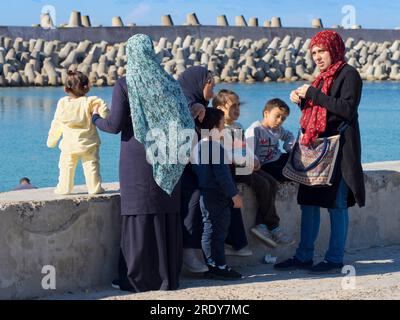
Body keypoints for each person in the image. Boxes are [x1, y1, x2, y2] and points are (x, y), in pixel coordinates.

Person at [92, 34, 194, 292]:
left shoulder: (126, 84)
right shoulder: (169, 82)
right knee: (165, 215)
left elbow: (114, 125)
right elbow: (184, 121)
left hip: (137, 157)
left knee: (139, 214)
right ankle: (166, 277)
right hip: (167, 156)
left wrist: (95, 119)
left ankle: (136, 278)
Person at [275, 30, 365, 274]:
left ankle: (335, 258)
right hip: (316, 151)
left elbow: (346, 109)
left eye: (321, 51)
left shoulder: (349, 74)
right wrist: (302, 101)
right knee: (308, 203)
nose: (317, 56)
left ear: (334, 49)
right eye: (313, 52)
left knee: (337, 205)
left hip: (340, 151)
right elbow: (321, 113)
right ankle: (303, 256)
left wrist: (313, 94)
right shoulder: (321, 78)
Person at [178, 67, 250, 273]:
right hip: (190, 172)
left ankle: (233, 244)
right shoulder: (191, 104)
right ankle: (198, 255)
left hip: (201, 169)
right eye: (212, 83)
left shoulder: (205, 109)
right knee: (206, 214)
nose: (214, 87)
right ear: (201, 83)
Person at [214, 90, 294, 248]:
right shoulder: (219, 128)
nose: (237, 109)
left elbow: (244, 151)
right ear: (220, 109)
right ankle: (273, 225)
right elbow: (229, 155)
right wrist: (250, 162)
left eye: (238, 105)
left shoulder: (237, 126)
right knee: (263, 184)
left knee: (271, 182)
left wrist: (254, 160)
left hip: (242, 166)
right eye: (232, 106)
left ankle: (262, 225)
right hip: (231, 170)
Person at [192, 108, 243, 280]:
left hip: (204, 194)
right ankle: (220, 266)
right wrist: (234, 195)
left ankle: (211, 264)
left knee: (208, 230)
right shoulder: (215, 147)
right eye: (222, 124)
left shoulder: (198, 145)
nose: (224, 127)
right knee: (219, 232)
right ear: (215, 126)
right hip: (217, 195)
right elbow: (222, 175)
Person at [47, 70, 109, 195]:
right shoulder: (92, 101)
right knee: (91, 166)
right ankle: (94, 188)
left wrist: (52, 141)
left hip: (69, 145)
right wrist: (97, 111)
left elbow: (57, 123)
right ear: (86, 88)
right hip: (89, 143)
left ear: (65, 89)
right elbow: (106, 115)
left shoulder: (63, 103)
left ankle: (64, 188)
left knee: (66, 167)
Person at [245, 98, 295, 182]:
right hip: (264, 164)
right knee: (284, 174)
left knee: (296, 159)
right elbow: (248, 150)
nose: (279, 121)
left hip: (277, 158)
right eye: (277, 116)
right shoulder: (255, 130)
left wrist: (289, 147)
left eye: (283, 118)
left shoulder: (278, 129)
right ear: (266, 114)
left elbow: (289, 136)